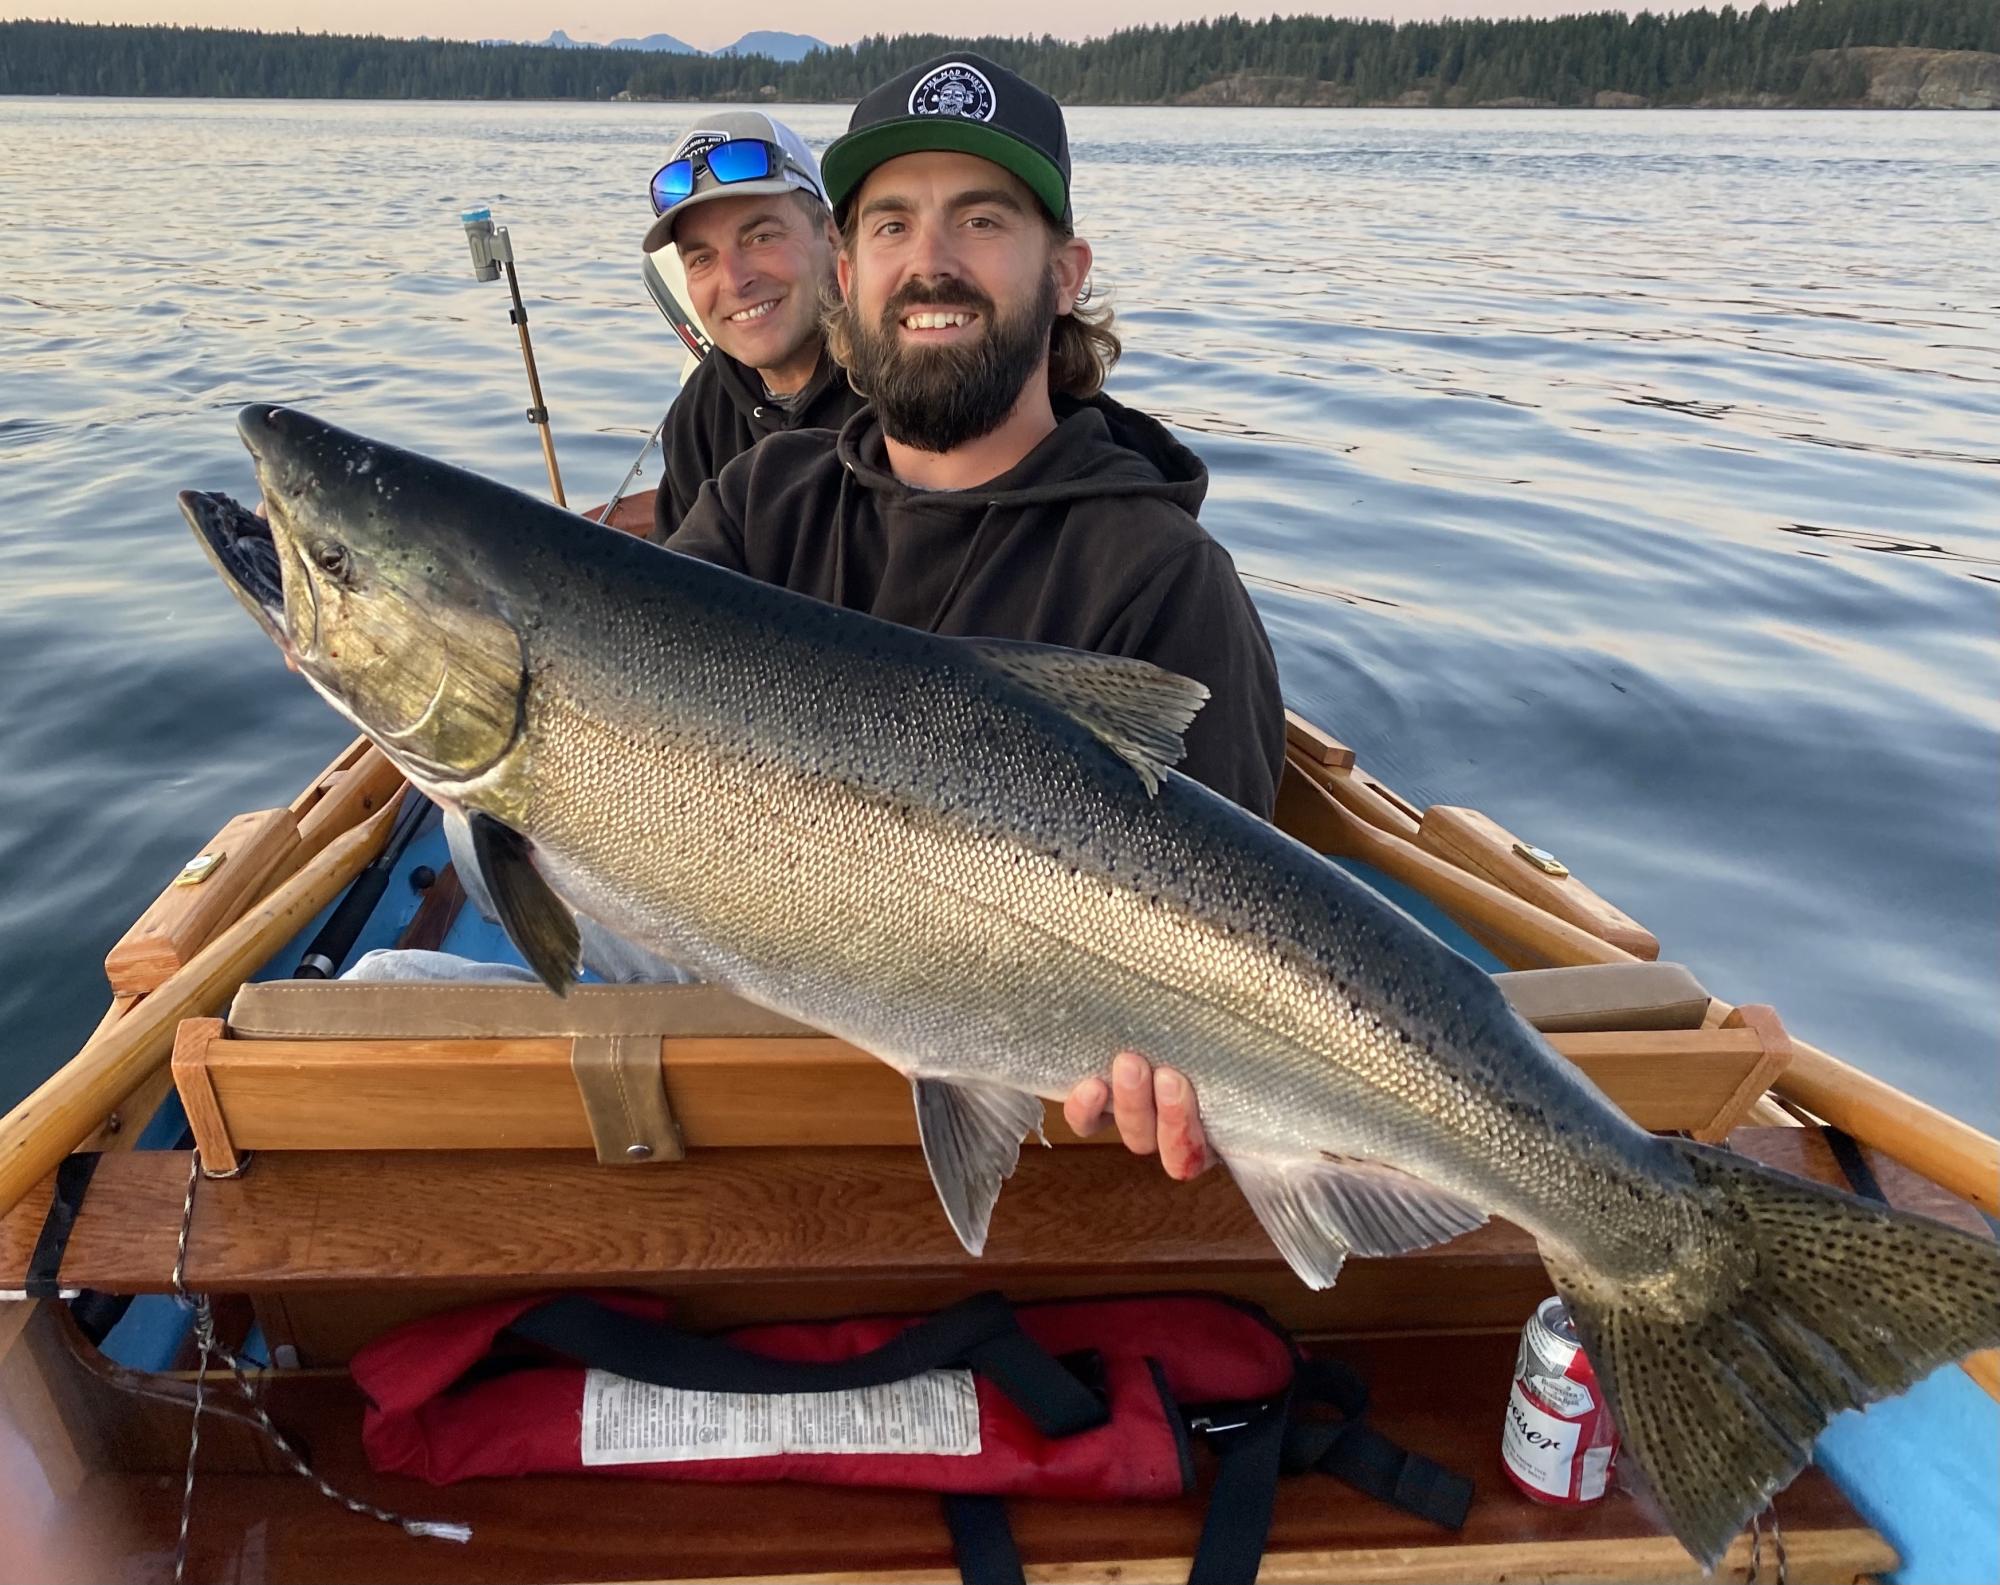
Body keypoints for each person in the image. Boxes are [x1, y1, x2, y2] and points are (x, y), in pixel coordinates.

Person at [664, 53, 1284, 1178]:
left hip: (1030, 1074)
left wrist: (1171, 1064)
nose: (929, 264)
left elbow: (1231, 948)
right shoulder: (755, 505)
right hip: (744, 989)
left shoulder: (1161, 577)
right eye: (891, 226)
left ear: (1062, 272)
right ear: (846, 272)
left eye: (981, 219)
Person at [641, 111, 868, 539]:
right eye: (702, 258)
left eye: (760, 237)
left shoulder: (902, 387)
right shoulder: (702, 411)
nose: (734, 280)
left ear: (833, 235)